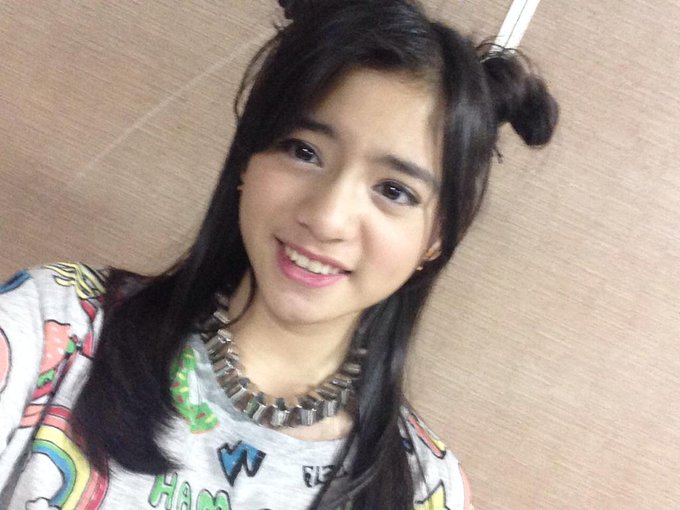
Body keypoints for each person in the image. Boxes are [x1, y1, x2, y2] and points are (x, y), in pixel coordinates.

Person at [0, 0, 558, 508]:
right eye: (303, 151)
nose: (327, 217)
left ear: (435, 237)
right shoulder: (54, 330)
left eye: (394, 190)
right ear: (248, 157)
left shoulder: (424, 489)